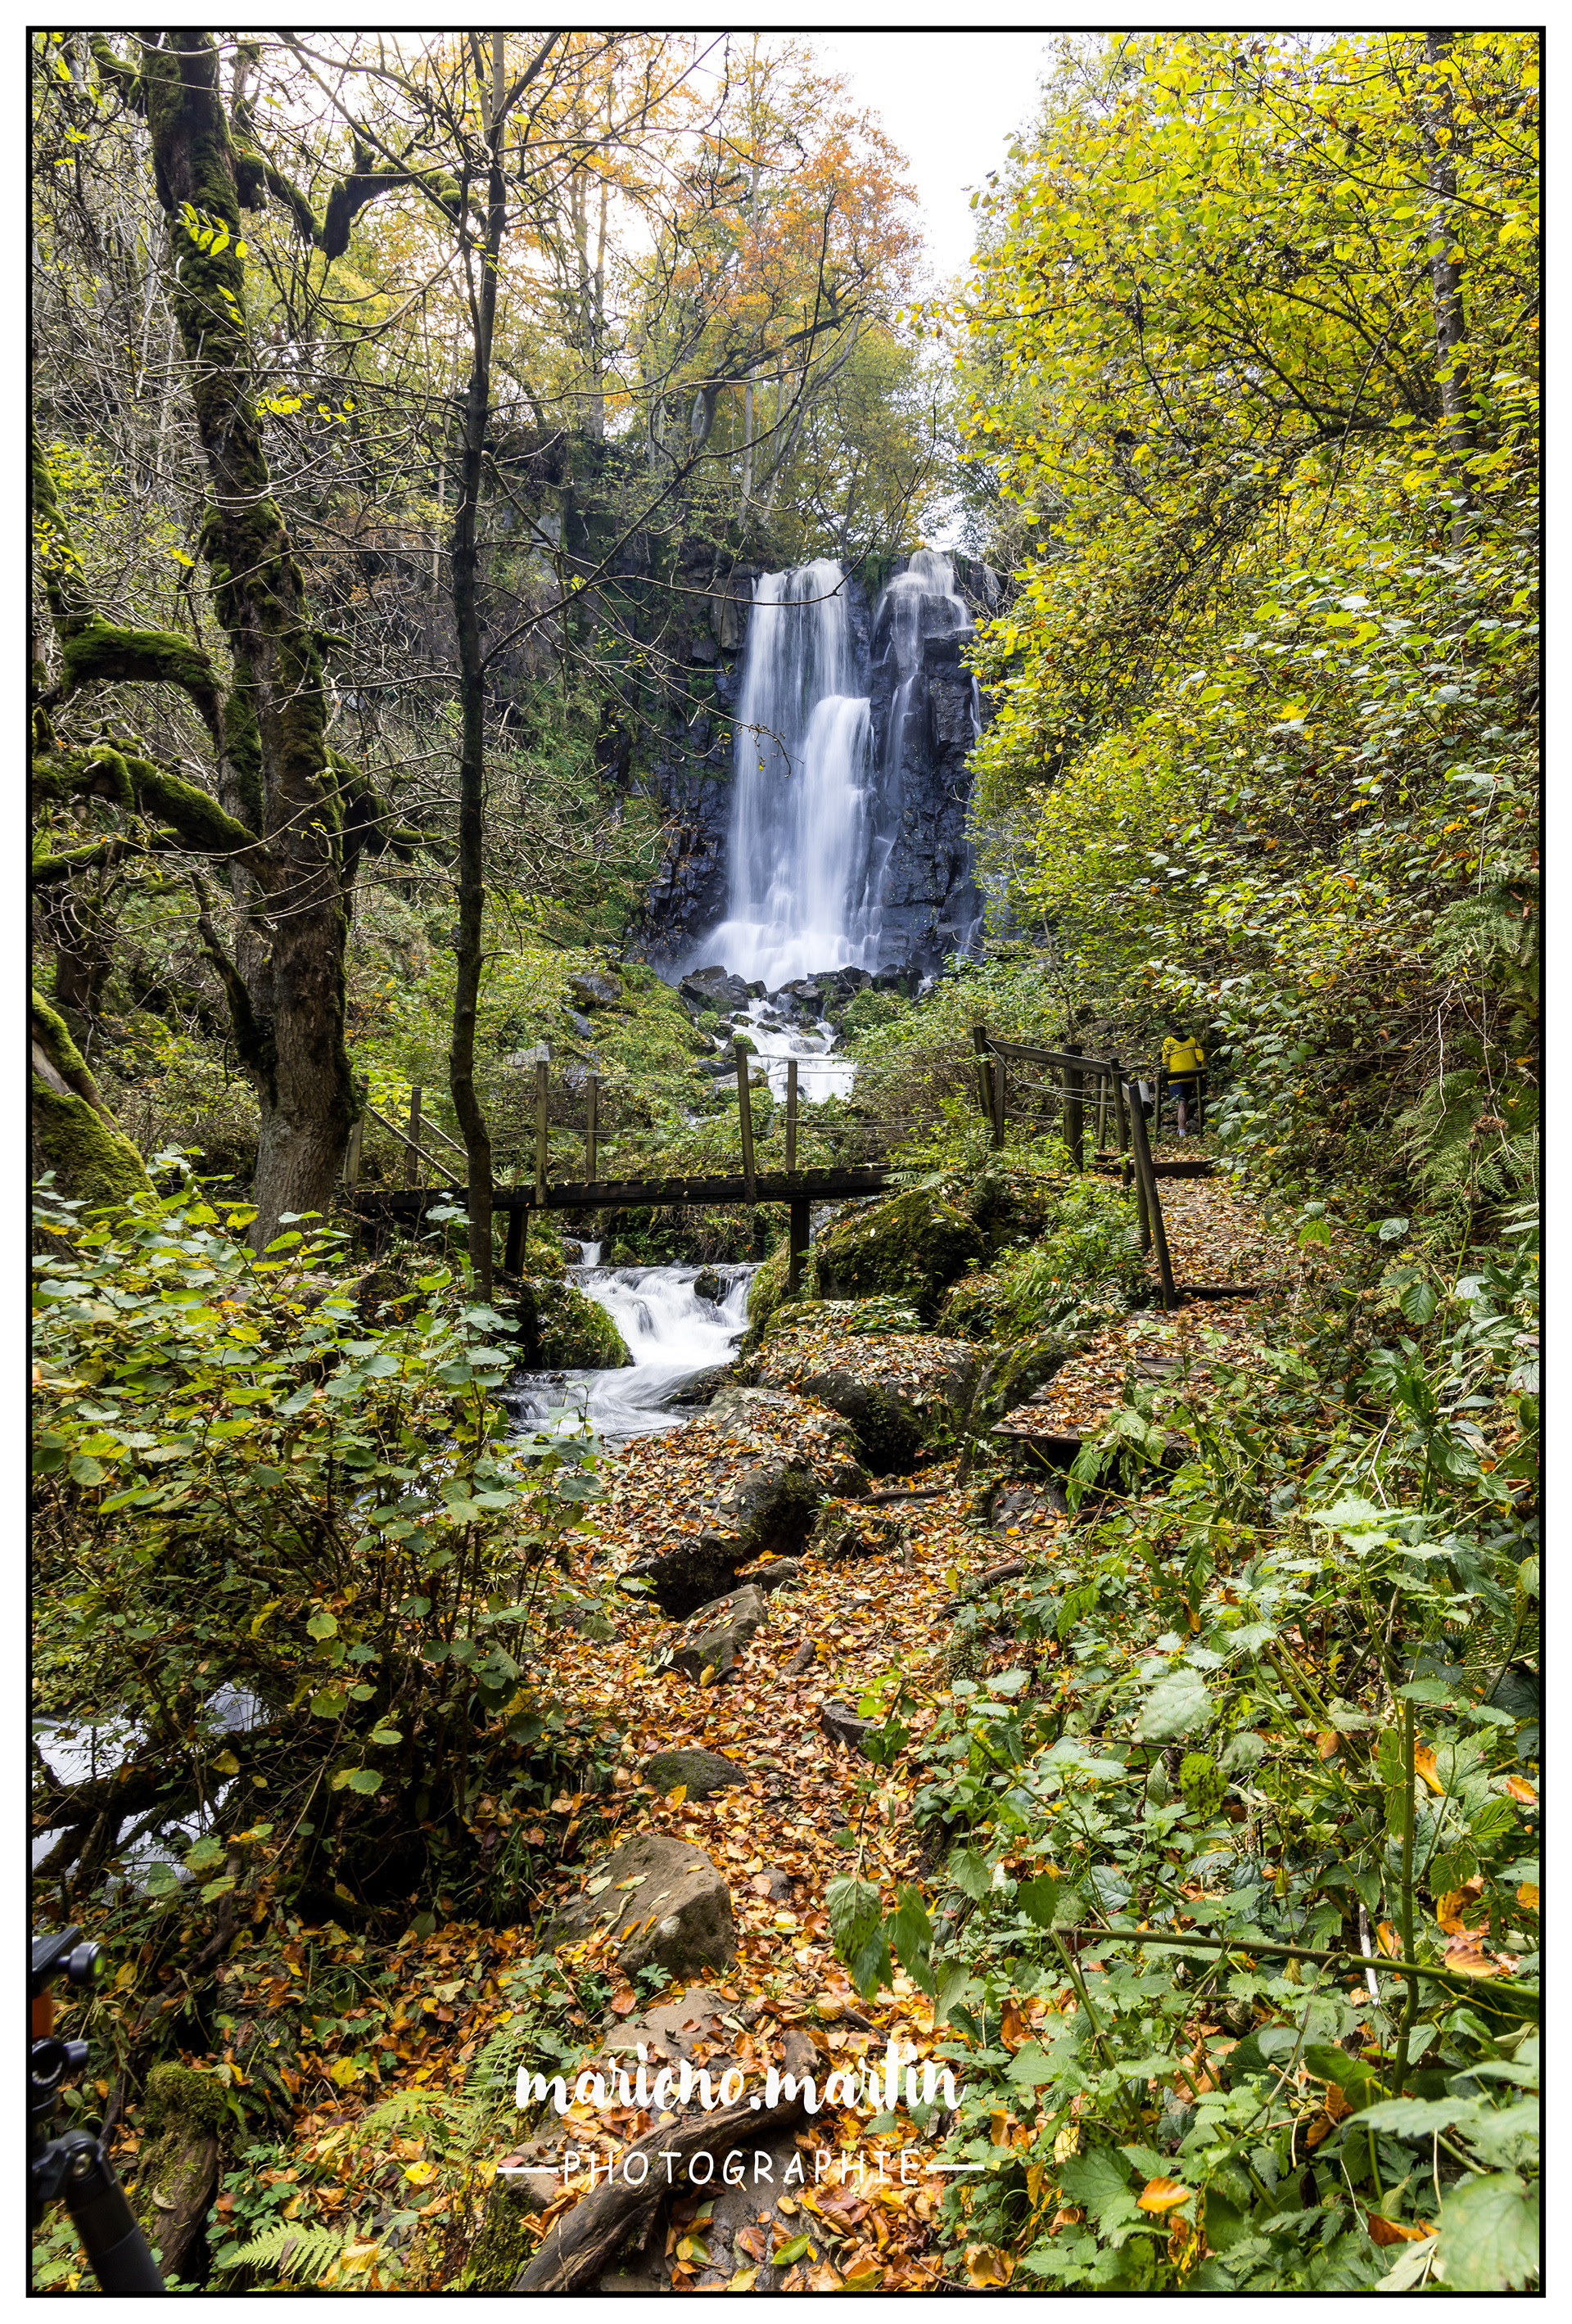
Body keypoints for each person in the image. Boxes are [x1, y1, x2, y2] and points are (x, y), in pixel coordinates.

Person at [1160, 1025, 1206, 1137]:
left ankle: (1182, 1132)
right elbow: (1201, 1058)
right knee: (1185, 1102)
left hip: (1175, 1076)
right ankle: (1183, 1129)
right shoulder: (1192, 1040)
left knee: (1181, 1104)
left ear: (1171, 1031)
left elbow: (1165, 1060)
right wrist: (1202, 1075)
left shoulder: (1168, 1040)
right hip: (1191, 1075)